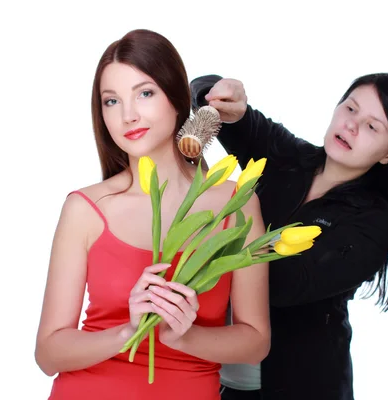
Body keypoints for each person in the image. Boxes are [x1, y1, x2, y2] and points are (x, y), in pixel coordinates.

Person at [33, 30, 271, 400]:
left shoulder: (234, 202)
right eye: (111, 101)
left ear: (177, 100)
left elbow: (255, 341)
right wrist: (128, 330)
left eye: (145, 93)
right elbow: (48, 354)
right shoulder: (85, 209)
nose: (128, 115)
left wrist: (183, 334)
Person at [190, 73, 388, 400]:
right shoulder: (288, 158)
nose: (352, 126)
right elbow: (205, 94)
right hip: (219, 379)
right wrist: (221, 93)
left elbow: (285, 284)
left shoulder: (375, 223)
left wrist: (218, 220)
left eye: (373, 127)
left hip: (302, 385)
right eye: (350, 109)